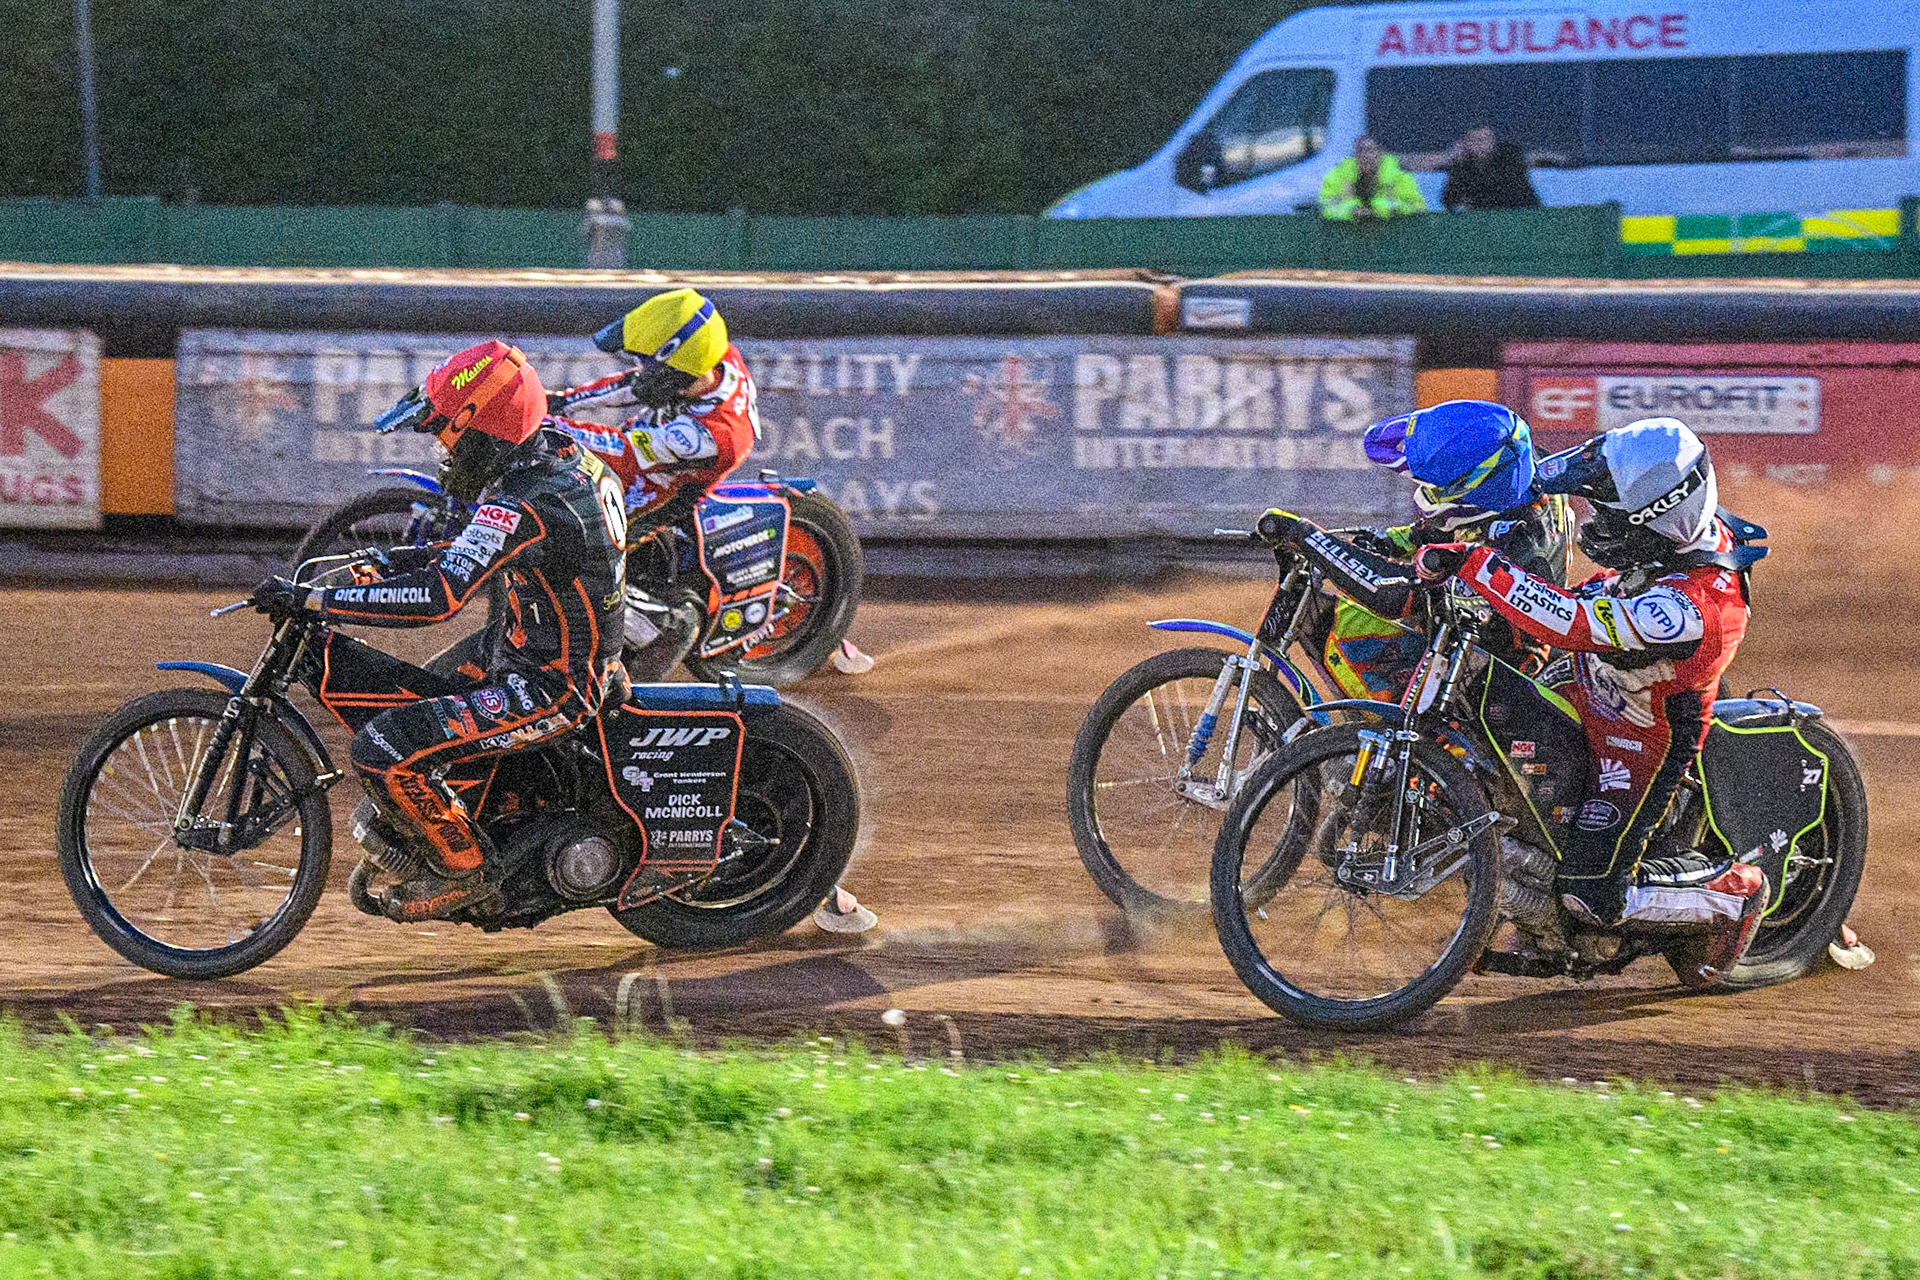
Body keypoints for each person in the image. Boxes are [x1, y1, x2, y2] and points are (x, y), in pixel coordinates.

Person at [250, 341, 629, 921]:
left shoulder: (525, 501)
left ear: (487, 429)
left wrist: (317, 599)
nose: (444, 455)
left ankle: (465, 871)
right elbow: (488, 550)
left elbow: (437, 599)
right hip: (534, 652)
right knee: (415, 696)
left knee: (384, 749)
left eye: (447, 436)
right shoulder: (562, 463)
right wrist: (398, 559)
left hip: (554, 686)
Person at [1414, 418, 1770, 981]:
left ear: (1655, 519)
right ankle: (1530, 896)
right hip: (1589, 687)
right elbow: (1538, 478)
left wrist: (1478, 565)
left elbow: (1572, 623)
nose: (1595, 522)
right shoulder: (1648, 492)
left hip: (1642, 740)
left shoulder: (1693, 608)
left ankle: (1736, 894)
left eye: (1609, 515)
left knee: (1589, 894)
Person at [1260, 400, 1572, 687]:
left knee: (1361, 643)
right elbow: (1442, 531)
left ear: (1480, 490)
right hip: (1482, 639)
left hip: (1498, 676)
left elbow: (1391, 593)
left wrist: (1306, 535)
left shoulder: (1515, 546)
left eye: (1436, 490)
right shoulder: (1523, 470)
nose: (1426, 496)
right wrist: (1388, 541)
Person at [546, 288, 761, 681]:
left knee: (582, 555)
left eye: (647, 362)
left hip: (663, 491)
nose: (640, 367)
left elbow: (624, 451)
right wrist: (559, 403)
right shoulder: (713, 355)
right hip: (652, 450)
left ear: (673, 372)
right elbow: (633, 385)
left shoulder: (711, 435)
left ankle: (668, 625)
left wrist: (548, 425)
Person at [1318, 135, 1426, 222]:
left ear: (1381, 153)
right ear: (1355, 154)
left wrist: (1379, 209)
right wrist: (1351, 210)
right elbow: (1325, 208)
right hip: (1349, 238)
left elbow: (1416, 207)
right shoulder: (1338, 176)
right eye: (1361, 150)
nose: (1365, 155)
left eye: (1370, 150)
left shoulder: (1400, 177)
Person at [1440, 126, 1541, 212]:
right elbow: (1449, 200)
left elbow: (1510, 195)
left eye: (1484, 140)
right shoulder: (1462, 166)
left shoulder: (1510, 160)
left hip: (1519, 215)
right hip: (1481, 221)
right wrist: (1457, 164)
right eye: (1473, 140)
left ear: (1493, 142)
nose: (1479, 145)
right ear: (1465, 144)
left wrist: (1474, 201)